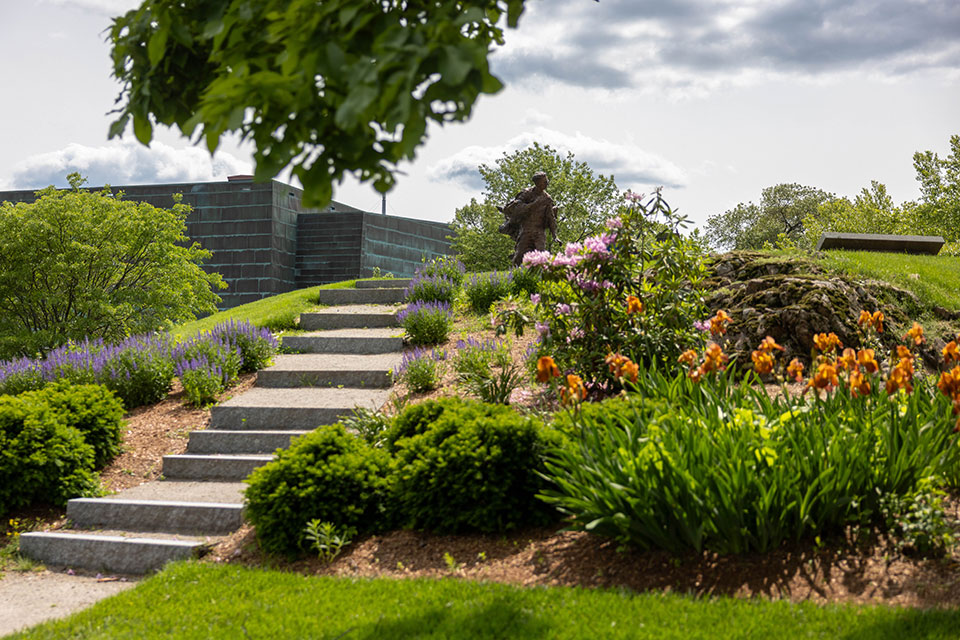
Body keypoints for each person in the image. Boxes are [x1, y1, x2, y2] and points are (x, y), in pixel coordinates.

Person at [498, 172, 558, 266]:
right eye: (544, 181)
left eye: (547, 181)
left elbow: (551, 217)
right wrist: (535, 204)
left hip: (539, 231)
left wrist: (555, 235)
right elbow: (518, 208)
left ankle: (541, 276)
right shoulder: (526, 193)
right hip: (526, 230)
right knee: (519, 256)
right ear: (537, 183)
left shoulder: (547, 198)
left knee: (541, 256)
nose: (547, 183)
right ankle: (515, 276)